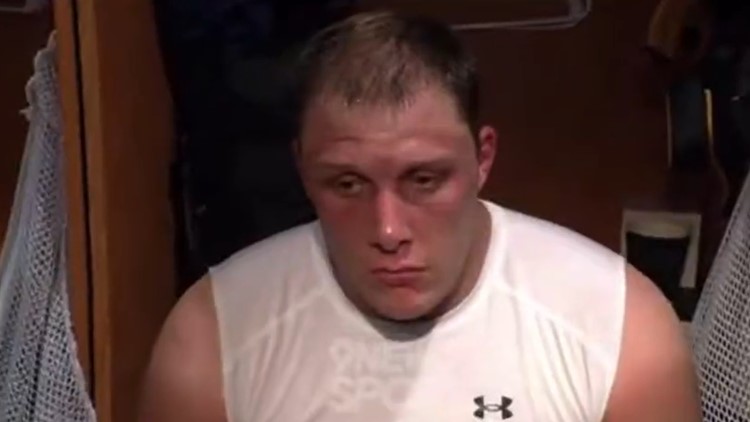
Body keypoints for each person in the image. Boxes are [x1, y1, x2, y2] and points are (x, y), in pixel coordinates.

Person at [137, 11, 702, 422]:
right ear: (303, 170)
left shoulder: (620, 330)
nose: (388, 231)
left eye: (424, 180)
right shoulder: (212, 336)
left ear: (483, 158)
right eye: (348, 184)